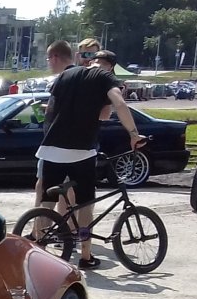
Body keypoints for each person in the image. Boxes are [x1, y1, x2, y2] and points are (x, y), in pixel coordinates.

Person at [31, 39, 146, 269]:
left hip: (51, 147)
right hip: (81, 151)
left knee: (46, 201)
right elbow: (120, 104)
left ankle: (38, 251)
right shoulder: (104, 78)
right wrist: (134, 134)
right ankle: (86, 255)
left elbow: (53, 109)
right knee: (85, 204)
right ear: (108, 67)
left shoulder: (64, 76)